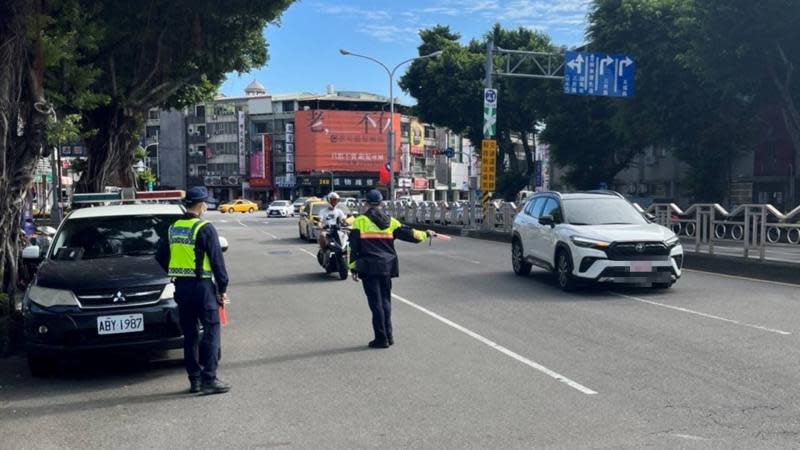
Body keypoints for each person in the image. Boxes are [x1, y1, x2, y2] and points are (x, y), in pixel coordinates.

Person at [156, 186, 231, 395]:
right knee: (211, 330)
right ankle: (210, 378)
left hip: (181, 287)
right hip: (203, 287)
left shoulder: (172, 228)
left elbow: (160, 256)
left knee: (190, 334)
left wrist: (174, 270)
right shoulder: (204, 228)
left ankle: (195, 380)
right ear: (201, 205)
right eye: (205, 203)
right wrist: (222, 289)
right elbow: (218, 263)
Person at [349, 189, 435, 349]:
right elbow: (410, 234)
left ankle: (381, 339)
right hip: (387, 267)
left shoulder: (359, 221)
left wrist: (353, 268)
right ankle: (389, 336)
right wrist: (426, 234)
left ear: (366, 203)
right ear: (381, 203)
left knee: (376, 304)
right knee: (386, 301)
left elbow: (353, 247)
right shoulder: (391, 221)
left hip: (369, 268)